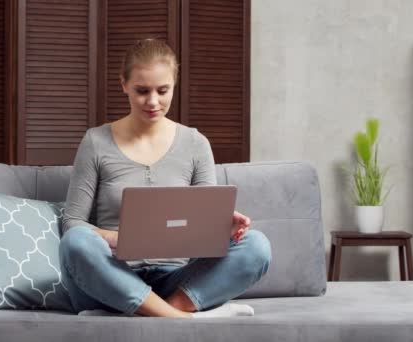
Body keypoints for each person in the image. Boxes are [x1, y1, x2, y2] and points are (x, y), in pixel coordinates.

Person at [59, 38, 272, 318]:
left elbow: (203, 228)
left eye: (163, 90)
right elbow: (72, 223)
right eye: (142, 91)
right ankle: (182, 319)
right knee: (75, 242)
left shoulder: (195, 143)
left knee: (257, 245)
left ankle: (159, 312)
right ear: (123, 84)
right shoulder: (96, 142)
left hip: (176, 280)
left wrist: (223, 228)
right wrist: (117, 238)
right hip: (111, 275)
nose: (153, 102)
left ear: (174, 84)